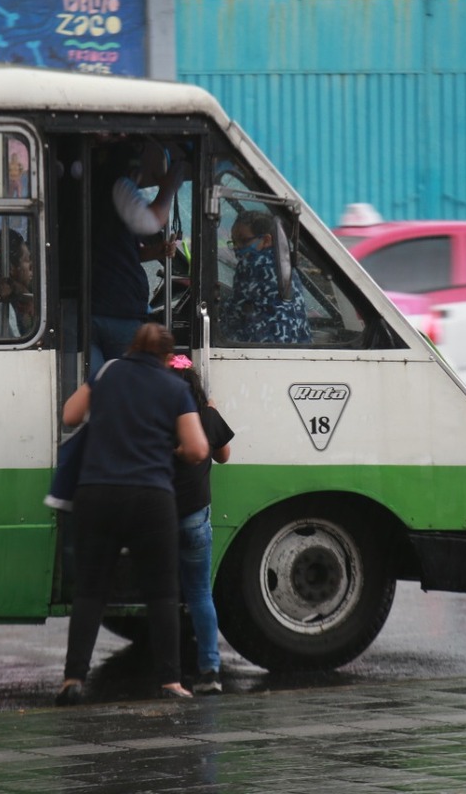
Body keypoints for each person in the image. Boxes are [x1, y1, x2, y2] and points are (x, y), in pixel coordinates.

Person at [56, 323, 209, 705]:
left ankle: (73, 679)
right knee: (161, 593)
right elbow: (197, 449)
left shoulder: (107, 371)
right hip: (149, 497)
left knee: (90, 592)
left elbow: (70, 415)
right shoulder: (175, 388)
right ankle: (170, 682)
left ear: (132, 347)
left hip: (97, 493)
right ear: (165, 355)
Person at [88, 140, 185, 378]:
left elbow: (115, 252)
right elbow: (151, 221)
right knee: (127, 385)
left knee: (97, 388)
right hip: (115, 312)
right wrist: (170, 186)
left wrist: (156, 252)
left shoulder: (95, 197)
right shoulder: (117, 183)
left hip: (93, 310)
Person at [167, 355, 234, 695]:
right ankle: (209, 671)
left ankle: (169, 674)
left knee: (163, 595)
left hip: (161, 518)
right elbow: (224, 456)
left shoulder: (157, 418)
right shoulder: (206, 416)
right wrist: (211, 412)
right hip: (196, 518)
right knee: (199, 594)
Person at [219, 210, 312, 344]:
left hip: (264, 346)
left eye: (243, 241)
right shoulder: (284, 265)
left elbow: (235, 312)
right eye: (234, 242)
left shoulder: (252, 265)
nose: (237, 247)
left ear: (267, 240)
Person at [1, 228, 35, 337]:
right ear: (11, 268)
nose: (32, 266)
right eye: (27, 260)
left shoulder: (22, 298)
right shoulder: (2, 308)